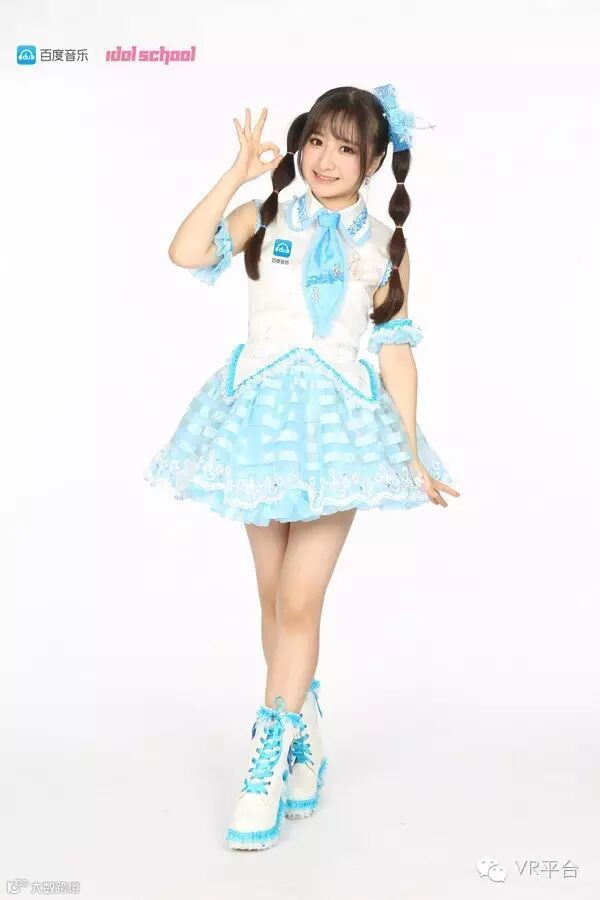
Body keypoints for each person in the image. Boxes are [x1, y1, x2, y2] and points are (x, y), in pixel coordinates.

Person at [144, 83, 460, 850]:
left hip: (339, 429)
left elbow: (396, 350)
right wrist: (236, 174)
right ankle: (304, 727)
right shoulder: (267, 217)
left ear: (374, 162)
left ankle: (263, 765)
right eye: (317, 140)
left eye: (347, 147)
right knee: (272, 597)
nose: (326, 159)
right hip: (258, 421)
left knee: (297, 600)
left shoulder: (385, 245)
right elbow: (186, 251)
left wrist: (410, 448)